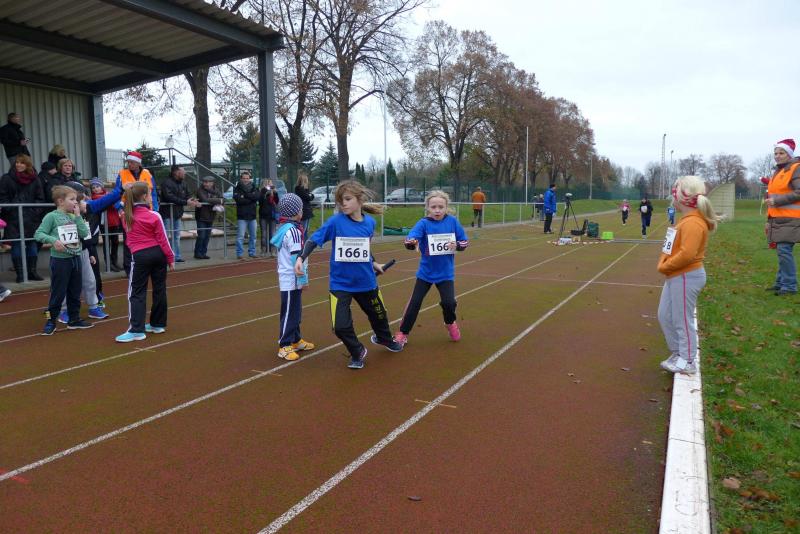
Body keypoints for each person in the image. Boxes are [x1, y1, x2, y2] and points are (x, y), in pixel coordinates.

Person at [295, 180, 403, 369]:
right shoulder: (335, 222)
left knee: (379, 316)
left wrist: (374, 263)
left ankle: (384, 338)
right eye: (340, 200)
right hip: (340, 284)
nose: (343, 204)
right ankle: (357, 351)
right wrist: (301, 258)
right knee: (340, 326)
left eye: (347, 199)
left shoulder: (370, 223)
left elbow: (364, 248)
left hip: (366, 282)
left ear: (359, 200)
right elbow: (314, 239)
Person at [658, 176, 720, 375]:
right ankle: (678, 353)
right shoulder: (686, 221)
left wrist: (666, 266)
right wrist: (666, 265)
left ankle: (688, 360)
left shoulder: (693, 223)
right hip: (676, 275)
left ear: (682, 197)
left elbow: (687, 254)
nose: (671, 198)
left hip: (686, 276)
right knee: (665, 315)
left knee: (681, 319)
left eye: (674, 193)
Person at [394, 190, 469, 346]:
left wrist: (457, 245)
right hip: (426, 273)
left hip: (445, 273)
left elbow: (464, 241)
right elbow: (410, 239)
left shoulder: (453, 222)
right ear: (427, 207)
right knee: (415, 303)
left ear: (446, 207)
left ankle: (450, 322)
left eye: (441, 207)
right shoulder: (423, 223)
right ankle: (403, 333)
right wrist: (412, 242)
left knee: (449, 303)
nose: (437, 210)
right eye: (433, 207)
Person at [115, 182, 174, 342]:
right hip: (158, 255)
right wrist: (170, 258)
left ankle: (136, 330)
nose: (151, 197)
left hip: (140, 256)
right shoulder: (154, 215)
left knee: (136, 292)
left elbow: (121, 207)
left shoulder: (125, 216)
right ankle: (157, 324)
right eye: (149, 194)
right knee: (159, 289)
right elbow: (163, 239)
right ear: (144, 197)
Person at [34, 185, 94, 335]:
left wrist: (78, 216)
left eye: (76, 199)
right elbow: (38, 234)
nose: (76, 202)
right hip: (60, 260)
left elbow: (84, 233)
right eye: (72, 199)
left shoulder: (74, 217)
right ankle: (50, 321)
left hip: (76, 258)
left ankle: (74, 319)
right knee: (58, 292)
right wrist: (53, 241)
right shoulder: (51, 217)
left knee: (75, 291)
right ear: (61, 201)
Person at [55, 182, 109, 323]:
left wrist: (90, 252)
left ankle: (93, 307)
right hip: (65, 255)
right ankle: (64, 310)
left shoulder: (81, 215)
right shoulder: (55, 216)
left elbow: (86, 236)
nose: (83, 202)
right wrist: (53, 240)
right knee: (66, 283)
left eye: (78, 200)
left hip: (83, 252)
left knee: (90, 280)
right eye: (76, 200)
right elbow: (41, 233)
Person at [270, 193, 315, 361]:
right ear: (297, 212)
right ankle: (284, 345)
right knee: (290, 312)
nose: (302, 211)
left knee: (295, 311)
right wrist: (303, 280)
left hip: (289, 277)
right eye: (301, 209)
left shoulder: (284, 228)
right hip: (291, 278)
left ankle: (296, 339)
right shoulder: (294, 232)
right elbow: (297, 259)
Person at [0, 154, 45, 282]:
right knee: (16, 245)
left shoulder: (35, 179)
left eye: (22, 162)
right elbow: (2, 197)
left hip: (31, 218)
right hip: (13, 218)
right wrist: (12, 209)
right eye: (17, 162)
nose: (19, 165)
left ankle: (32, 272)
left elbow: (40, 198)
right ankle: (20, 274)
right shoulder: (6, 178)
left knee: (32, 244)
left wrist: (34, 212)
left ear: (27, 164)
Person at [113, 151, 158, 275]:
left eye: (132, 162)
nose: (129, 164)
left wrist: (155, 209)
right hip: (128, 212)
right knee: (129, 241)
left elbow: (153, 193)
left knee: (147, 240)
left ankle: (145, 266)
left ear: (138, 163)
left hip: (146, 212)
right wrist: (119, 208)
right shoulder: (122, 174)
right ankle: (129, 269)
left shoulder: (148, 174)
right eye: (128, 162)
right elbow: (116, 193)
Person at [764, 138, 800, 296]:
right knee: (782, 251)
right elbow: (773, 197)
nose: (777, 156)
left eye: (781, 153)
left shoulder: (796, 169)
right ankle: (781, 283)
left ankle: (790, 286)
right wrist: (768, 220)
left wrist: (777, 201)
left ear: (789, 154)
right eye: (776, 153)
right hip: (777, 218)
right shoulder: (778, 171)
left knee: (784, 251)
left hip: (791, 218)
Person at [158, 165, 198, 263]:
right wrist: (185, 202)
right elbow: (169, 197)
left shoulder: (183, 183)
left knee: (176, 236)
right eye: (183, 171)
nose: (185, 173)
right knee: (165, 236)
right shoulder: (166, 183)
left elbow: (188, 195)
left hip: (178, 213)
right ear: (176, 172)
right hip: (167, 214)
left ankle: (176, 257)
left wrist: (193, 200)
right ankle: (164, 258)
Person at [194, 176, 222, 259]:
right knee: (201, 236)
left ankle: (203, 253)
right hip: (201, 216)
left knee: (207, 236)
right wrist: (218, 200)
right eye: (204, 182)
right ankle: (197, 253)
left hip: (211, 215)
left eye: (207, 182)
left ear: (212, 183)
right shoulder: (200, 190)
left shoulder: (216, 190)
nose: (205, 184)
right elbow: (204, 200)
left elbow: (223, 199)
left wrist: (218, 200)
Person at [233, 170, 260, 259]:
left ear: (249, 179)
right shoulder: (237, 188)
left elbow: (257, 197)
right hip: (242, 216)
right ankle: (239, 254)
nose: (246, 180)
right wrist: (251, 198)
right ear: (241, 179)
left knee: (253, 236)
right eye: (244, 178)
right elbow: (239, 200)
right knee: (240, 236)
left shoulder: (254, 187)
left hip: (252, 216)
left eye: (247, 178)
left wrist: (245, 196)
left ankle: (252, 252)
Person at [259, 178, 279, 256]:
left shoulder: (273, 192)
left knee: (273, 234)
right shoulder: (262, 192)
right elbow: (260, 202)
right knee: (263, 234)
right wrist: (265, 192)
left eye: (270, 183)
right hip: (263, 215)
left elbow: (277, 201)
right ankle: (263, 250)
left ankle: (273, 250)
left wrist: (275, 193)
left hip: (272, 215)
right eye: (268, 184)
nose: (269, 185)